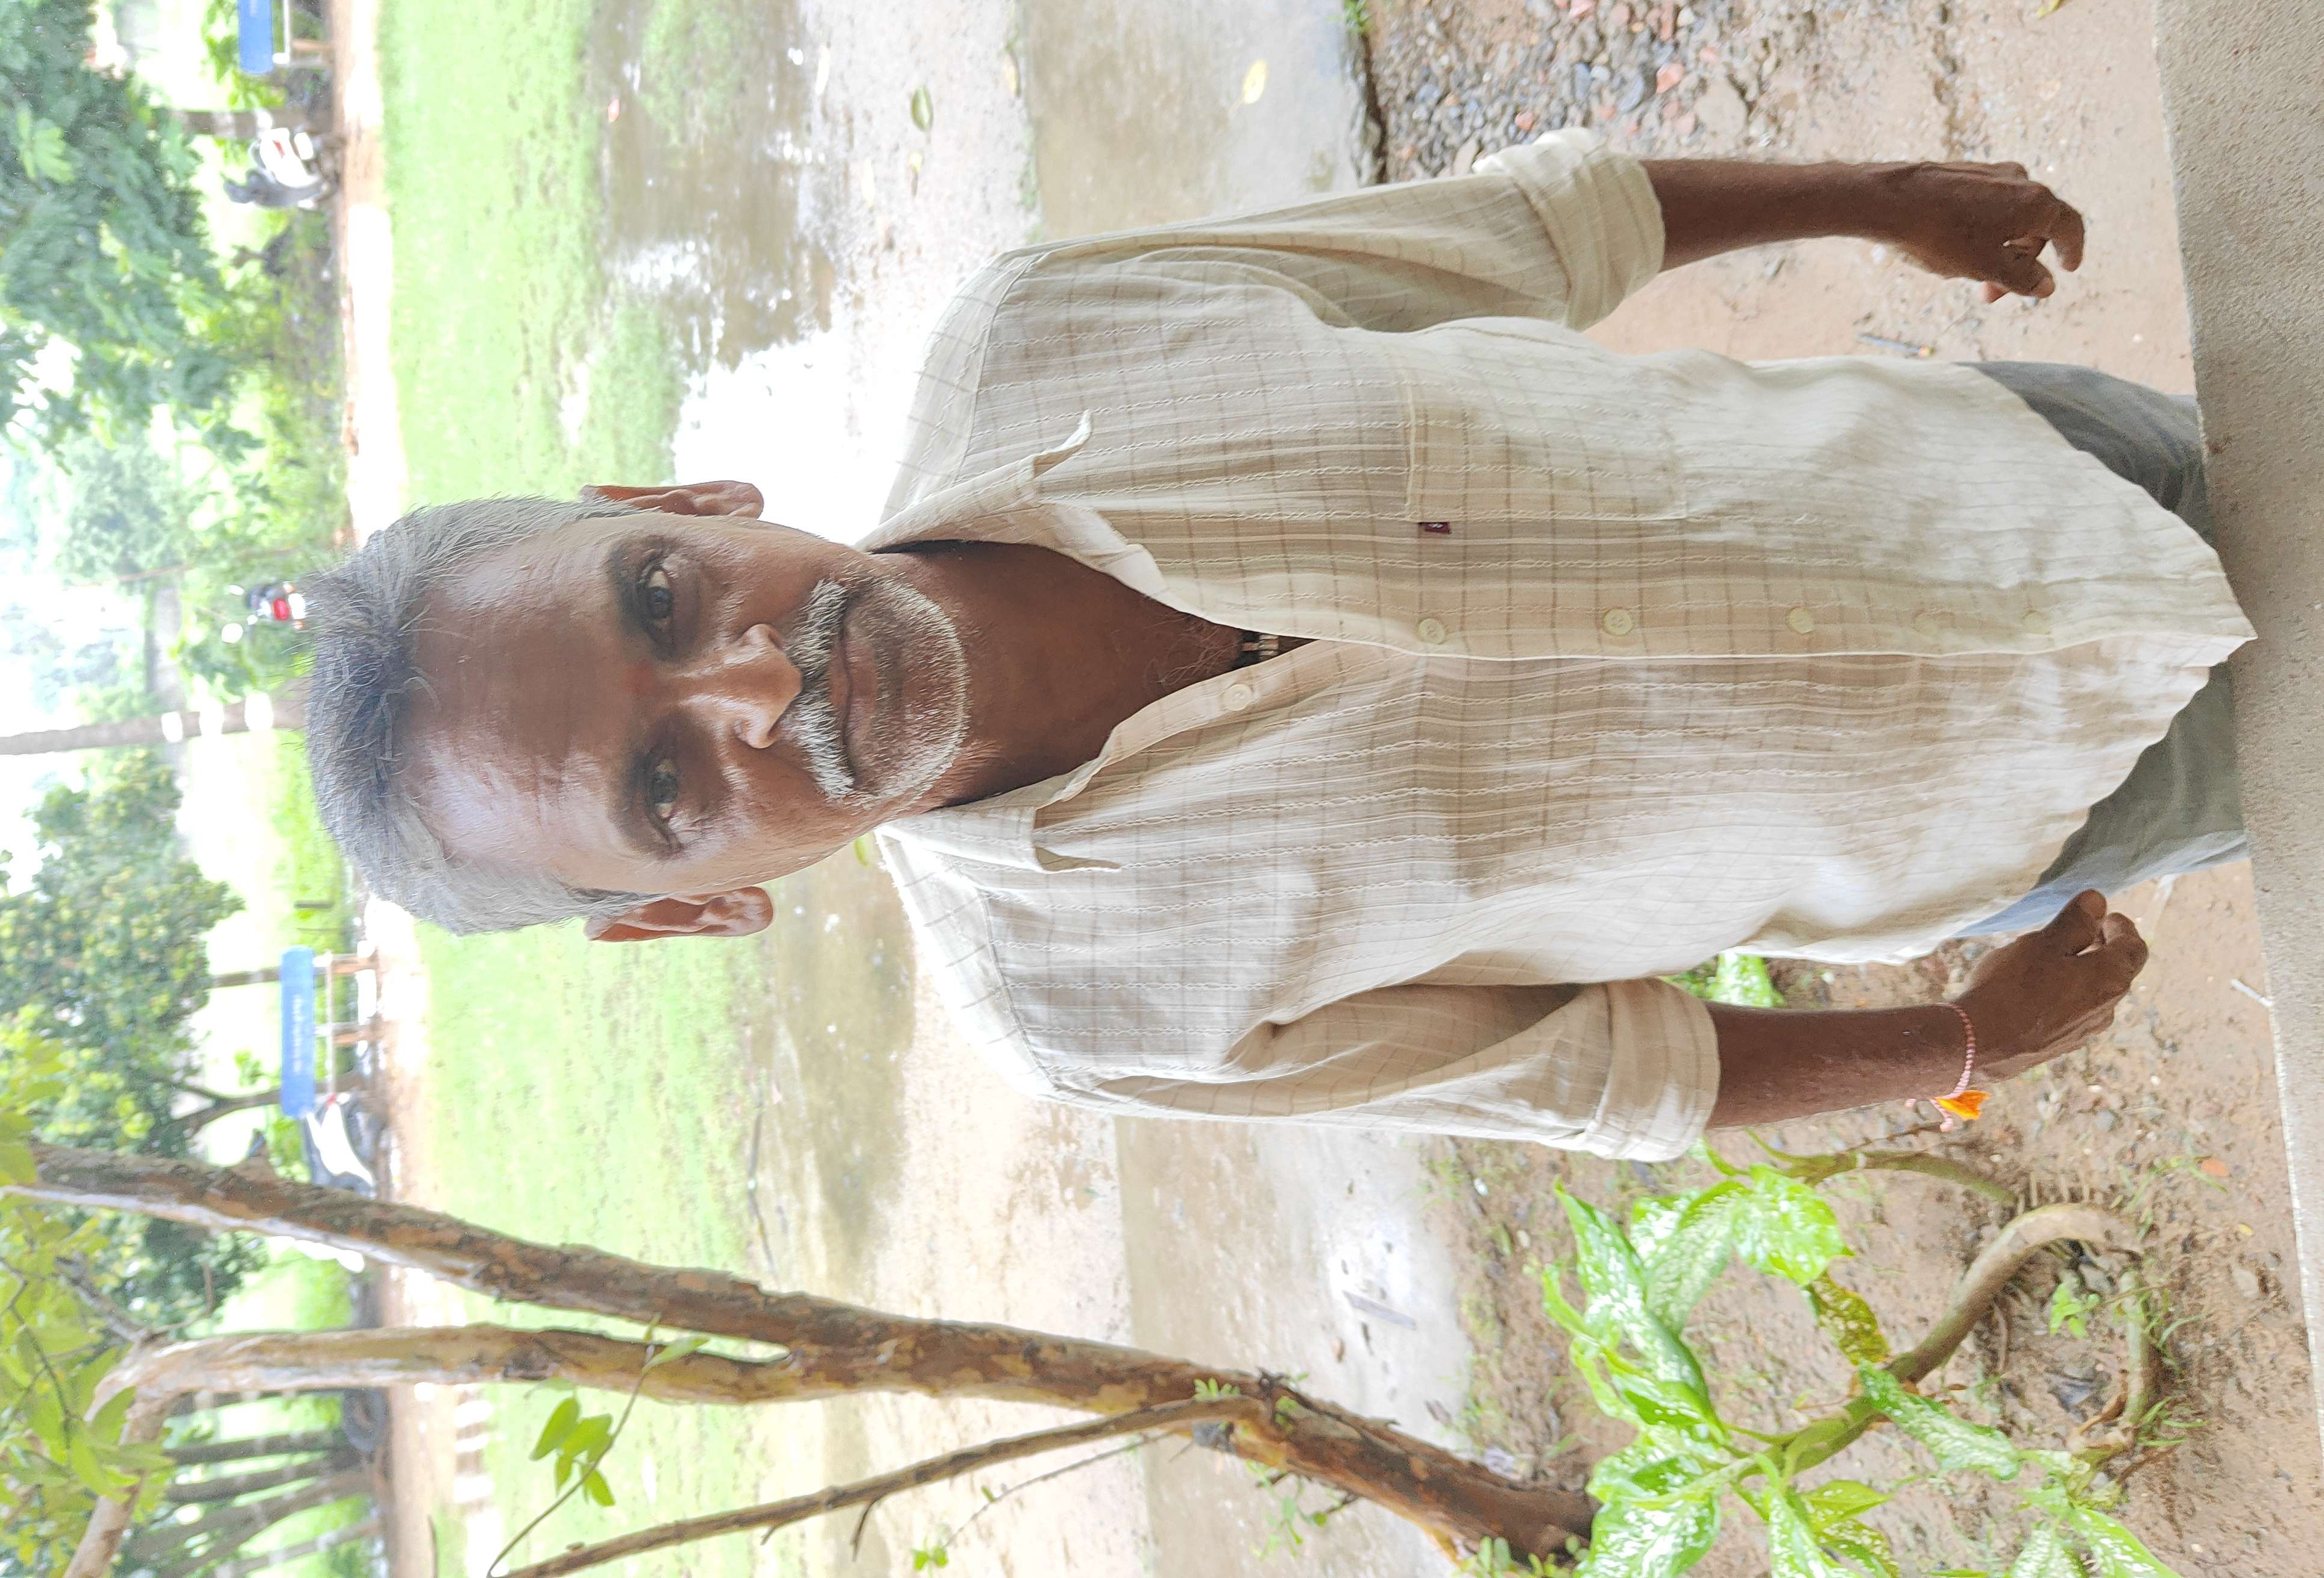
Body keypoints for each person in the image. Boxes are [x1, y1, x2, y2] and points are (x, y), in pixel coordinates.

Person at [305, 138, 2250, 1159]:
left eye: (660, 601)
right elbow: (1593, 1074)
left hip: (2007, 463)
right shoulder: (1091, 1015)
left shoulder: (1048, 335)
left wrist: (1881, 201)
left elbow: (1528, 233)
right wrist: (1965, 1043)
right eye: (664, 785)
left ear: (681, 501)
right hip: (2060, 799)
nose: (760, 684)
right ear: (692, 912)